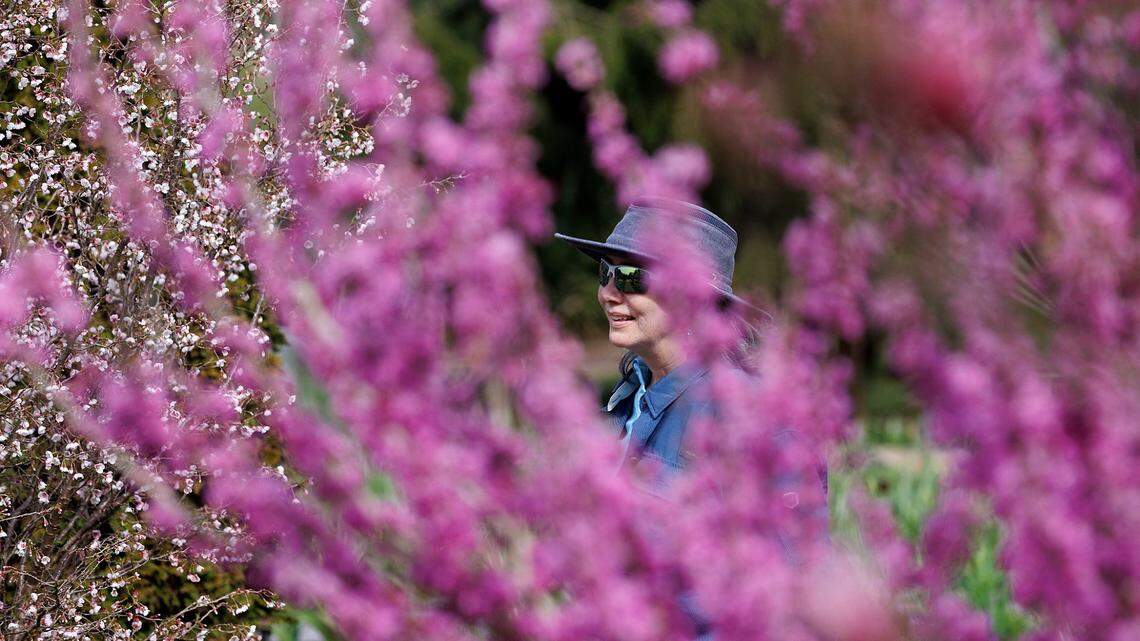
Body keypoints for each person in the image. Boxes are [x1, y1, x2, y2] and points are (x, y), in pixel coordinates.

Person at [554, 197, 756, 477]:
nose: (607, 294)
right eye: (605, 272)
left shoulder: (746, 418)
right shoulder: (627, 396)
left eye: (630, 277)